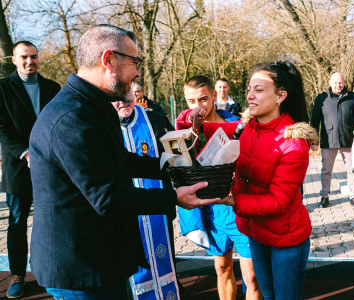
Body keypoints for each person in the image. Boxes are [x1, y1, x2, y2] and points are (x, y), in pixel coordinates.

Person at [28, 24, 218, 300]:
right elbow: (108, 198)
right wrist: (174, 196)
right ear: (109, 60)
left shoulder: (93, 105)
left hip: (103, 258)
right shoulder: (71, 118)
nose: (138, 72)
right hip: (82, 269)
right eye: (135, 62)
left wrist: (172, 165)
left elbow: (121, 159)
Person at [218, 61, 317, 299]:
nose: (250, 96)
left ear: (281, 96)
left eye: (259, 90)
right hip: (256, 232)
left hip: (286, 238)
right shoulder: (249, 127)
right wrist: (193, 118)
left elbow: (278, 201)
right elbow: (213, 129)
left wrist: (232, 200)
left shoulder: (293, 143)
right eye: (249, 89)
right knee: (268, 296)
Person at [176, 75, 262, 300]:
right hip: (211, 211)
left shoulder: (238, 125)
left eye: (203, 99)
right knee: (222, 268)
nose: (198, 107)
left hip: (240, 208)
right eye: (191, 102)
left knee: (252, 277)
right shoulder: (185, 133)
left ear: (215, 96)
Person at [0, 41, 61, 299]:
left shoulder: (53, 88)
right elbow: (1, 128)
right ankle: (17, 274)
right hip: (18, 167)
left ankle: (54, 271)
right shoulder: (2, 88)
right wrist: (25, 152)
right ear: (14, 60)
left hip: (50, 167)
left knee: (54, 220)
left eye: (34, 56)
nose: (30, 61)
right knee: (16, 222)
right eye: (24, 57)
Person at [111, 88, 180, 299]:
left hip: (157, 207)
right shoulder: (102, 126)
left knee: (165, 260)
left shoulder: (155, 120)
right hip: (124, 210)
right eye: (117, 99)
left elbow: (176, 156)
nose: (123, 103)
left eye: (127, 96)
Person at [310, 72, 354, 208]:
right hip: (328, 139)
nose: (338, 85)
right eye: (335, 83)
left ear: (344, 83)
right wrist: (314, 140)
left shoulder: (353, 97)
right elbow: (315, 120)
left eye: (340, 83)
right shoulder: (322, 98)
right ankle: (324, 196)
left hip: (349, 139)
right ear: (330, 83)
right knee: (326, 170)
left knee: (352, 169)